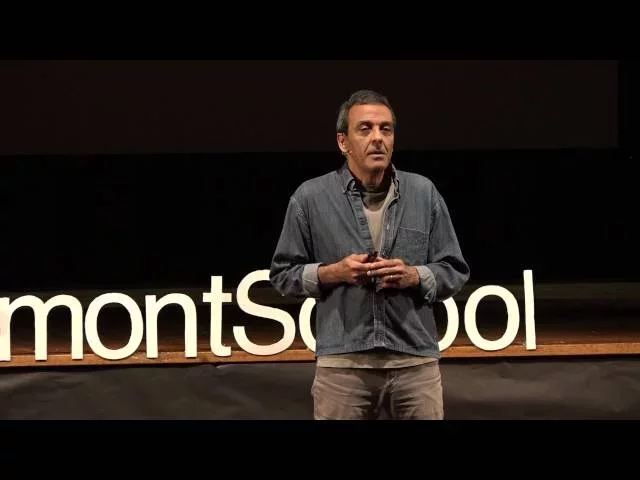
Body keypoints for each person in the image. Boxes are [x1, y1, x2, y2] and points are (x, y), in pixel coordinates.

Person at [269, 89, 470, 420]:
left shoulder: (423, 192)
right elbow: (282, 274)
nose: (378, 138)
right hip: (343, 365)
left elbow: (454, 269)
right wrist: (333, 273)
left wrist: (415, 275)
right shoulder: (311, 197)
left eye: (385, 129)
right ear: (343, 142)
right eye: (365, 129)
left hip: (414, 363)